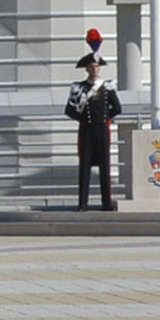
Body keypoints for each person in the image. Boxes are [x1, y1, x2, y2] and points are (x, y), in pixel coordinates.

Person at [66, 42, 122, 210]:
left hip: (102, 129)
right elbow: (69, 110)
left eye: (96, 66)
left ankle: (106, 203)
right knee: (85, 166)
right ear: (87, 69)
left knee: (105, 166)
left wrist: (104, 118)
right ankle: (83, 203)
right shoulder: (79, 88)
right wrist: (83, 119)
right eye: (91, 67)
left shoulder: (107, 87)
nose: (94, 70)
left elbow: (117, 108)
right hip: (87, 130)